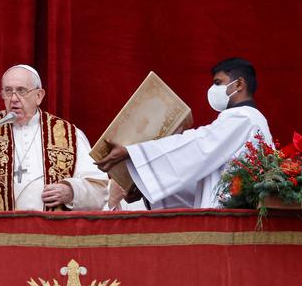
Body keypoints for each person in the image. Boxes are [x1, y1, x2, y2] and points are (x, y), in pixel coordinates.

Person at [96, 57, 273, 209]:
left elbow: (199, 145)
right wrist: (146, 187)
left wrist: (133, 152)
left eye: (218, 82)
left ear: (240, 84)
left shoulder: (244, 118)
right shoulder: (249, 120)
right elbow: (205, 182)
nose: (212, 89)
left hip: (231, 222)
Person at [0, 65, 108, 211]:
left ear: (39, 96)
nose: (14, 98)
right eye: (8, 91)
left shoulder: (69, 134)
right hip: (0, 233)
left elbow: (100, 190)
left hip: (52, 233)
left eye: (21, 91)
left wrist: (72, 191)